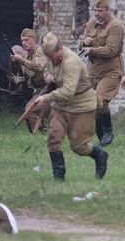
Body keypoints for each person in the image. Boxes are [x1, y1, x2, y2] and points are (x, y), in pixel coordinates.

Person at [35, 32, 108, 180]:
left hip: (81, 105)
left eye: (51, 56)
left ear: (60, 49)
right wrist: (47, 76)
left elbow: (68, 91)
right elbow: (48, 70)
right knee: (53, 138)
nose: (49, 59)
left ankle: (100, 155)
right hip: (60, 106)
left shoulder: (71, 62)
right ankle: (58, 176)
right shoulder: (51, 58)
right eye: (47, 56)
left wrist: (46, 97)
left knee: (79, 147)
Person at [79, 0, 124, 147]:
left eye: (100, 11)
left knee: (100, 99)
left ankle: (108, 131)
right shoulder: (91, 24)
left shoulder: (115, 26)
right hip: (93, 71)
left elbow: (111, 50)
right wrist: (84, 43)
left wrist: (91, 49)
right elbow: (82, 45)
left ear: (107, 11)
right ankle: (102, 138)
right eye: (95, 10)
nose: (97, 14)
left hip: (110, 71)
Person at [10, 28, 47, 133]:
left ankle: (41, 133)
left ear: (34, 39)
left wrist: (21, 60)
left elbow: (38, 67)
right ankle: (40, 134)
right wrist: (17, 79)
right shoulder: (27, 54)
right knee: (33, 111)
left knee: (30, 110)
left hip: (49, 88)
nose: (24, 43)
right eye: (22, 40)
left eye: (27, 40)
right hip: (39, 90)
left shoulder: (40, 51)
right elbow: (28, 76)